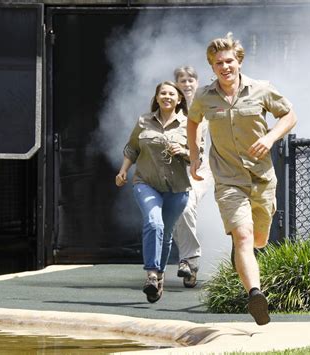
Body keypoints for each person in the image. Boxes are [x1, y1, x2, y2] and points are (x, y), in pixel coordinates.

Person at [187, 34, 297, 325]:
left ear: (238, 62)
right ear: (212, 67)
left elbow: (290, 115)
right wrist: (195, 154)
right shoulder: (204, 96)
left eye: (229, 61)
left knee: (258, 238)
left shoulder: (261, 89)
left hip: (261, 177)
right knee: (244, 236)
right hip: (227, 178)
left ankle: (244, 248)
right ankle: (255, 295)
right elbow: (193, 120)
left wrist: (271, 137)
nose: (224, 67)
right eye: (218, 63)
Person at [116, 81, 191, 303]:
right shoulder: (144, 121)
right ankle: (150, 273)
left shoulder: (189, 124)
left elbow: (198, 154)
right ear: (157, 97)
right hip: (146, 182)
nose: (167, 97)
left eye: (172, 94)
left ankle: (159, 276)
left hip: (177, 188)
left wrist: (184, 151)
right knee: (154, 223)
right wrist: (123, 172)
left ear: (179, 100)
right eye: (163, 93)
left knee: (166, 234)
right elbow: (132, 148)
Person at [172, 66, 214, 288]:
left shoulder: (206, 106)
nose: (186, 84)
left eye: (190, 80)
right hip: (175, 169)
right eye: (182, 80)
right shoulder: (171, 108)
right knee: (179, 211)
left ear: (196, 83)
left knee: (186, 205)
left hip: (202, 167)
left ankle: (189, 259)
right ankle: (189, 263)